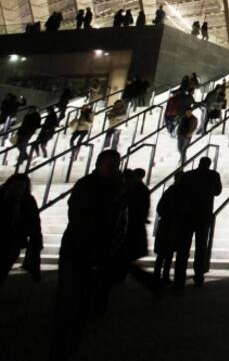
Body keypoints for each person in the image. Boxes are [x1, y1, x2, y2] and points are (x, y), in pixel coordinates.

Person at [50, 150, 125, 360]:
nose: (114, 169)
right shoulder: (86, 185)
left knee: (83, 300)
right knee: (69, 299)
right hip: (78, 250)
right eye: (111, 165)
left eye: (116, 165)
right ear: (99, 164)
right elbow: (79, 216)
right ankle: (60, 345)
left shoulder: (116, 188)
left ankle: (71, 341)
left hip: (98, 252)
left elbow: (118, 219)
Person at [174, 157, 222, 287]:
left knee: (183, 247)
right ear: (209, 164)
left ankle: (179, 276)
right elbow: (218, 192)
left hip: (187, 215)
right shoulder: (213, 175)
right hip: (203, 215)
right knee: (201, 247)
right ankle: (199, 274)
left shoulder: (188, 175)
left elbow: (180, 191)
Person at [0, 173, 42, 284]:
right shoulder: (3, 197)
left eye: (22, 187)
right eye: (16, 186)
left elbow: (34, 224)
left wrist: (36, 242)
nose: (18, 190)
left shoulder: (28, 202)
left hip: (12, 243)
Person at [154, 173, 183, 283]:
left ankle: (160, 274)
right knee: (166, 253)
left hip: (168, 224)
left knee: (164, 253)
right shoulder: (176, 192)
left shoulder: (170, 191)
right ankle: (162, 275)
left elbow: (160, 207)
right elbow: (161, 207)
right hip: (170, 225)